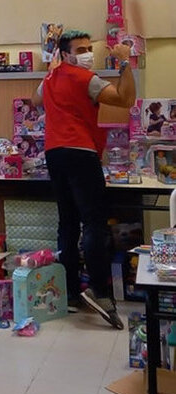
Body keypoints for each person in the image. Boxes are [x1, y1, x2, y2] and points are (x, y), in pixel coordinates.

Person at [34, 30, 135, 330]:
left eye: (89, 48)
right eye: (81, 49)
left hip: (55, 153)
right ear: (65, 54)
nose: (87, 53)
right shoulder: (85, 78)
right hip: (81, 152)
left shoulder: (50, 78)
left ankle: (69, 293)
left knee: (67, 222)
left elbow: (34, 99)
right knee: (93, 223)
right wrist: (125, 63)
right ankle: (101, 293)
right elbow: (126, 99)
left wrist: (52, 71)